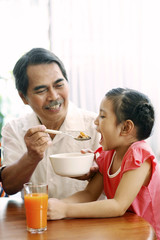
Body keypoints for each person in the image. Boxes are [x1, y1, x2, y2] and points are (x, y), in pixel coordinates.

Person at [47, 88, 160, 239]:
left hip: (145, 233)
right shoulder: (108, 155)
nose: (95, 121)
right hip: (121, 229)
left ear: (126, 127)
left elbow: (118, 206)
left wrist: (65, 210)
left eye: (102, 116)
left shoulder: (138, 155)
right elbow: (89, 194)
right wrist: (53, 205)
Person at [1, 48, 100, 198]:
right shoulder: (14, 129)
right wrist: (31, 157)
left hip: (88, 219)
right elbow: (9, 187)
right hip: (37, 218)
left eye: (59, 85)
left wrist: (98, 173)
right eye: (41, 90)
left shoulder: (96, 126)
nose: (53, 96)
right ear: (23, 97)